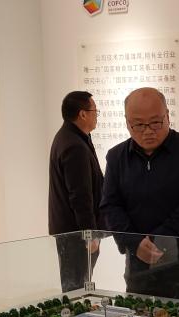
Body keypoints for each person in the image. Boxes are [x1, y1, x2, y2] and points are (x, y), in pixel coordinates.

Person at [100, 87, 179, 303]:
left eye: (155, 122)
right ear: (127, 123)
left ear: (167, 116)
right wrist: (135, 242)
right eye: (139, 125)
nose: (148, 131)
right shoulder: (116, 157)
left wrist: (158, 241)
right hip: (139, 264)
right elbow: (110, 205)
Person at [48, 91, 103, 292]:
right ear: (83, 114)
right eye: (95, 111)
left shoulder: (70, 138)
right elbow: (80, 196)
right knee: (77, 287)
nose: (97, 115)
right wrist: (89, 233)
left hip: (71, 231)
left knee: (77, 284)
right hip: (76, 233)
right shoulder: (74, 145)